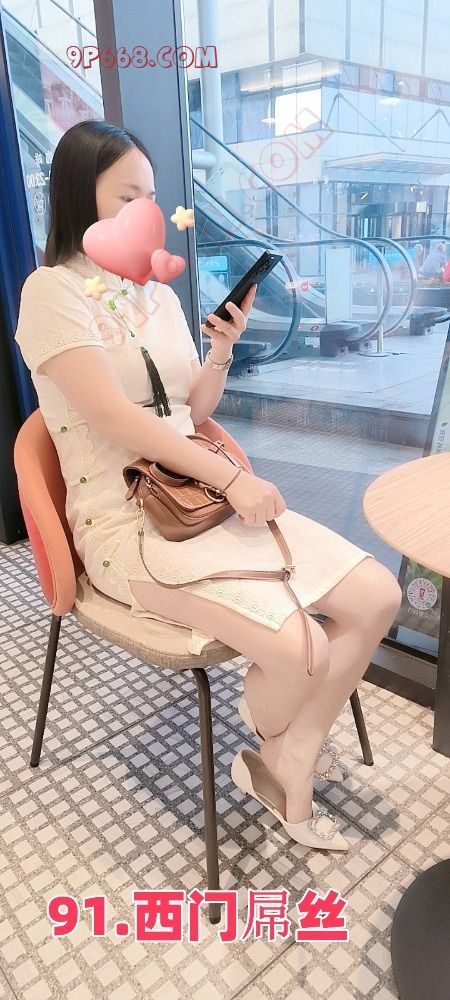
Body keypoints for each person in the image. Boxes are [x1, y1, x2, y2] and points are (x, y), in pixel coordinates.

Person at [14, 120, 402, 852]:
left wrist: (220, 351)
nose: (147, 213)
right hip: (126, 523)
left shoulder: (154, 296)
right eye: (127, 196)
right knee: (304, 652)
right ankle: (287, 754)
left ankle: (287, 756)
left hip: (197, 498)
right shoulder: (51, 293)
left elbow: (189, 413)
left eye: (151, 197)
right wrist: (230, 475)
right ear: (79, 197)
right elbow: (116, 420)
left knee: (377, 595)